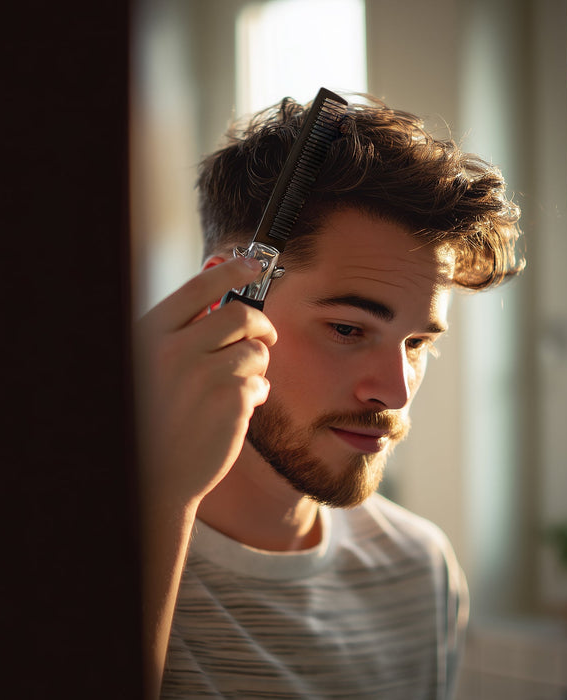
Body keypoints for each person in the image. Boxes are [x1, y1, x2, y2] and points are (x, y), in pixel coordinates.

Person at [136, 94, 524, 699]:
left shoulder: (419, 570)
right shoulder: (57, 556)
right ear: (222, 303)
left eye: (417, 342)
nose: (394, 392)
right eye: (349, 329)